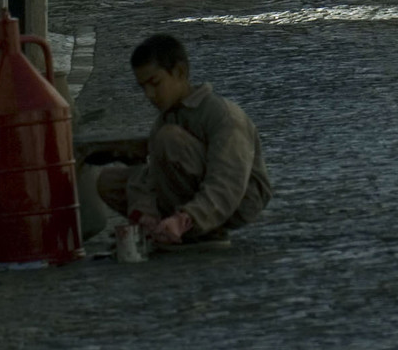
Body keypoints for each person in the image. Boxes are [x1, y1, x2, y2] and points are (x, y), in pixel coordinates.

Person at [95, 33, 272, 247]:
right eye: (143, 88)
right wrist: (145, 214)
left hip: (236, 201)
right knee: (109, 181)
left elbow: (227, 181)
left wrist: (186, 219)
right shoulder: (166, 118)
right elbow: (151, 175)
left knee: (168, 139)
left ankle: (194, 228)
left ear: (180, 72)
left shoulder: (222, 115)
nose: (149, 94)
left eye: (155, 83)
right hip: (186, 195)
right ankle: (162, 228)